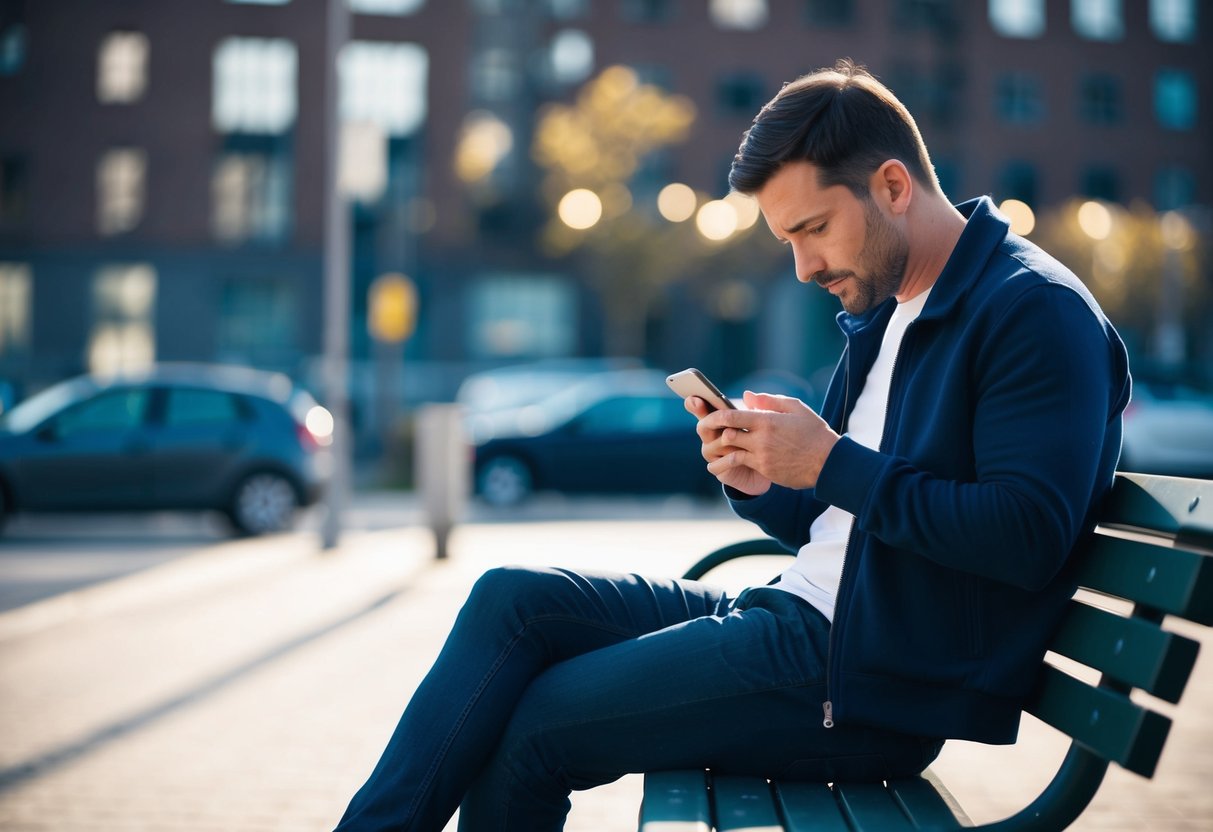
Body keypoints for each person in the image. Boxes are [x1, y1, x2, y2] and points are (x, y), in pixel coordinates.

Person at [333, 59, 1130, 832]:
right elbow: (842, 523)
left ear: (892, 186)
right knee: (511, 597)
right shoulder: (891, 309)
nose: (803, 265)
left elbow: (1025, 537)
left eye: (813, 229)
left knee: (534, 724)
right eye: (787, 238)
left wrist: (826, 461)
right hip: (804, 619)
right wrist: (764, 478)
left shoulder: (1033, 312)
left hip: (867, 681)